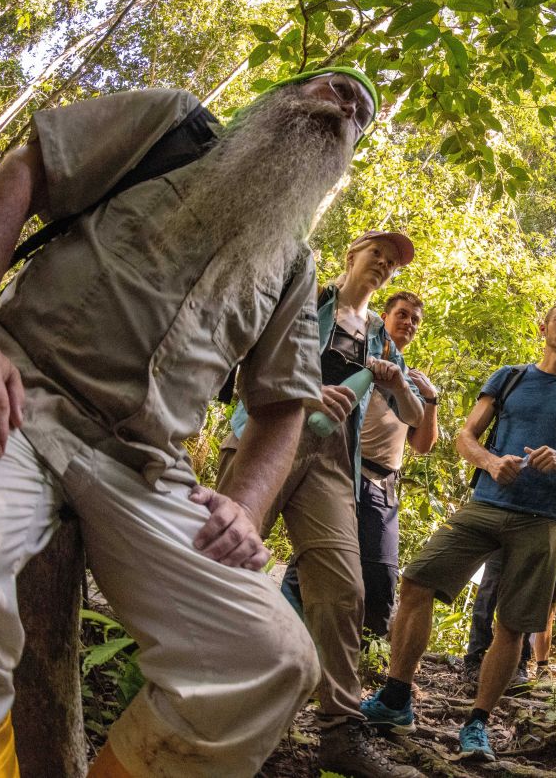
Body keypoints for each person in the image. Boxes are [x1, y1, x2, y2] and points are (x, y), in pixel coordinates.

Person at [0, 67, 380, 778]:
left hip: (147, 469)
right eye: (335, 86)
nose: (347, 103)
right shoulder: (170, 128)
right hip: (15, 394)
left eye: (360, 112)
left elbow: (284, 405)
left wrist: (246, 510)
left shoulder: (293, 264)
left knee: (273, 657)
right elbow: (22, 176)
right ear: (281, 95)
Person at [360, 303, 556, 761]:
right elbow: (464, 436)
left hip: (544, 520)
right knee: (417, 580)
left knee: (511, 624)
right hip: (487, 505)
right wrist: (492, 463)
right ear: (543, 328)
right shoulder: (509, 377)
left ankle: (477, 724)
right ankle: (396, 697)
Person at [218, 233, 424, 778]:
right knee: (226, 554)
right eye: (377, 253)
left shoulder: (381, 336)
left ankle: (339, 730)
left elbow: (413, 417)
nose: (383, 264)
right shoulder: (305, 294)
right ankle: (195, 693)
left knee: (343, 586)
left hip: (335, 457)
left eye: (392, 262)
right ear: (353, 254)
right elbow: (244, 356)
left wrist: (397, 380)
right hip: (268, 430)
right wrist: (306, 391)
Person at [462, 470, 556, 684]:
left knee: (537, 599)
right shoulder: (515, 456)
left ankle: (526, 665)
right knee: (494, 597)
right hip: (514, 532)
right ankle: (479, 659)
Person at [357, 290, 440, 639]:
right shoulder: (361, 354)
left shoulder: (411, 380)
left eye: (414, 320)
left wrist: (431, 398)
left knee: (382, 575)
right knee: (319, 561)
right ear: (385, 317)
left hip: (383, 485)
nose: (408, 323)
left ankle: (369, 655)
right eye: (402, 315)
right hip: (347, 469)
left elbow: (422, 445)